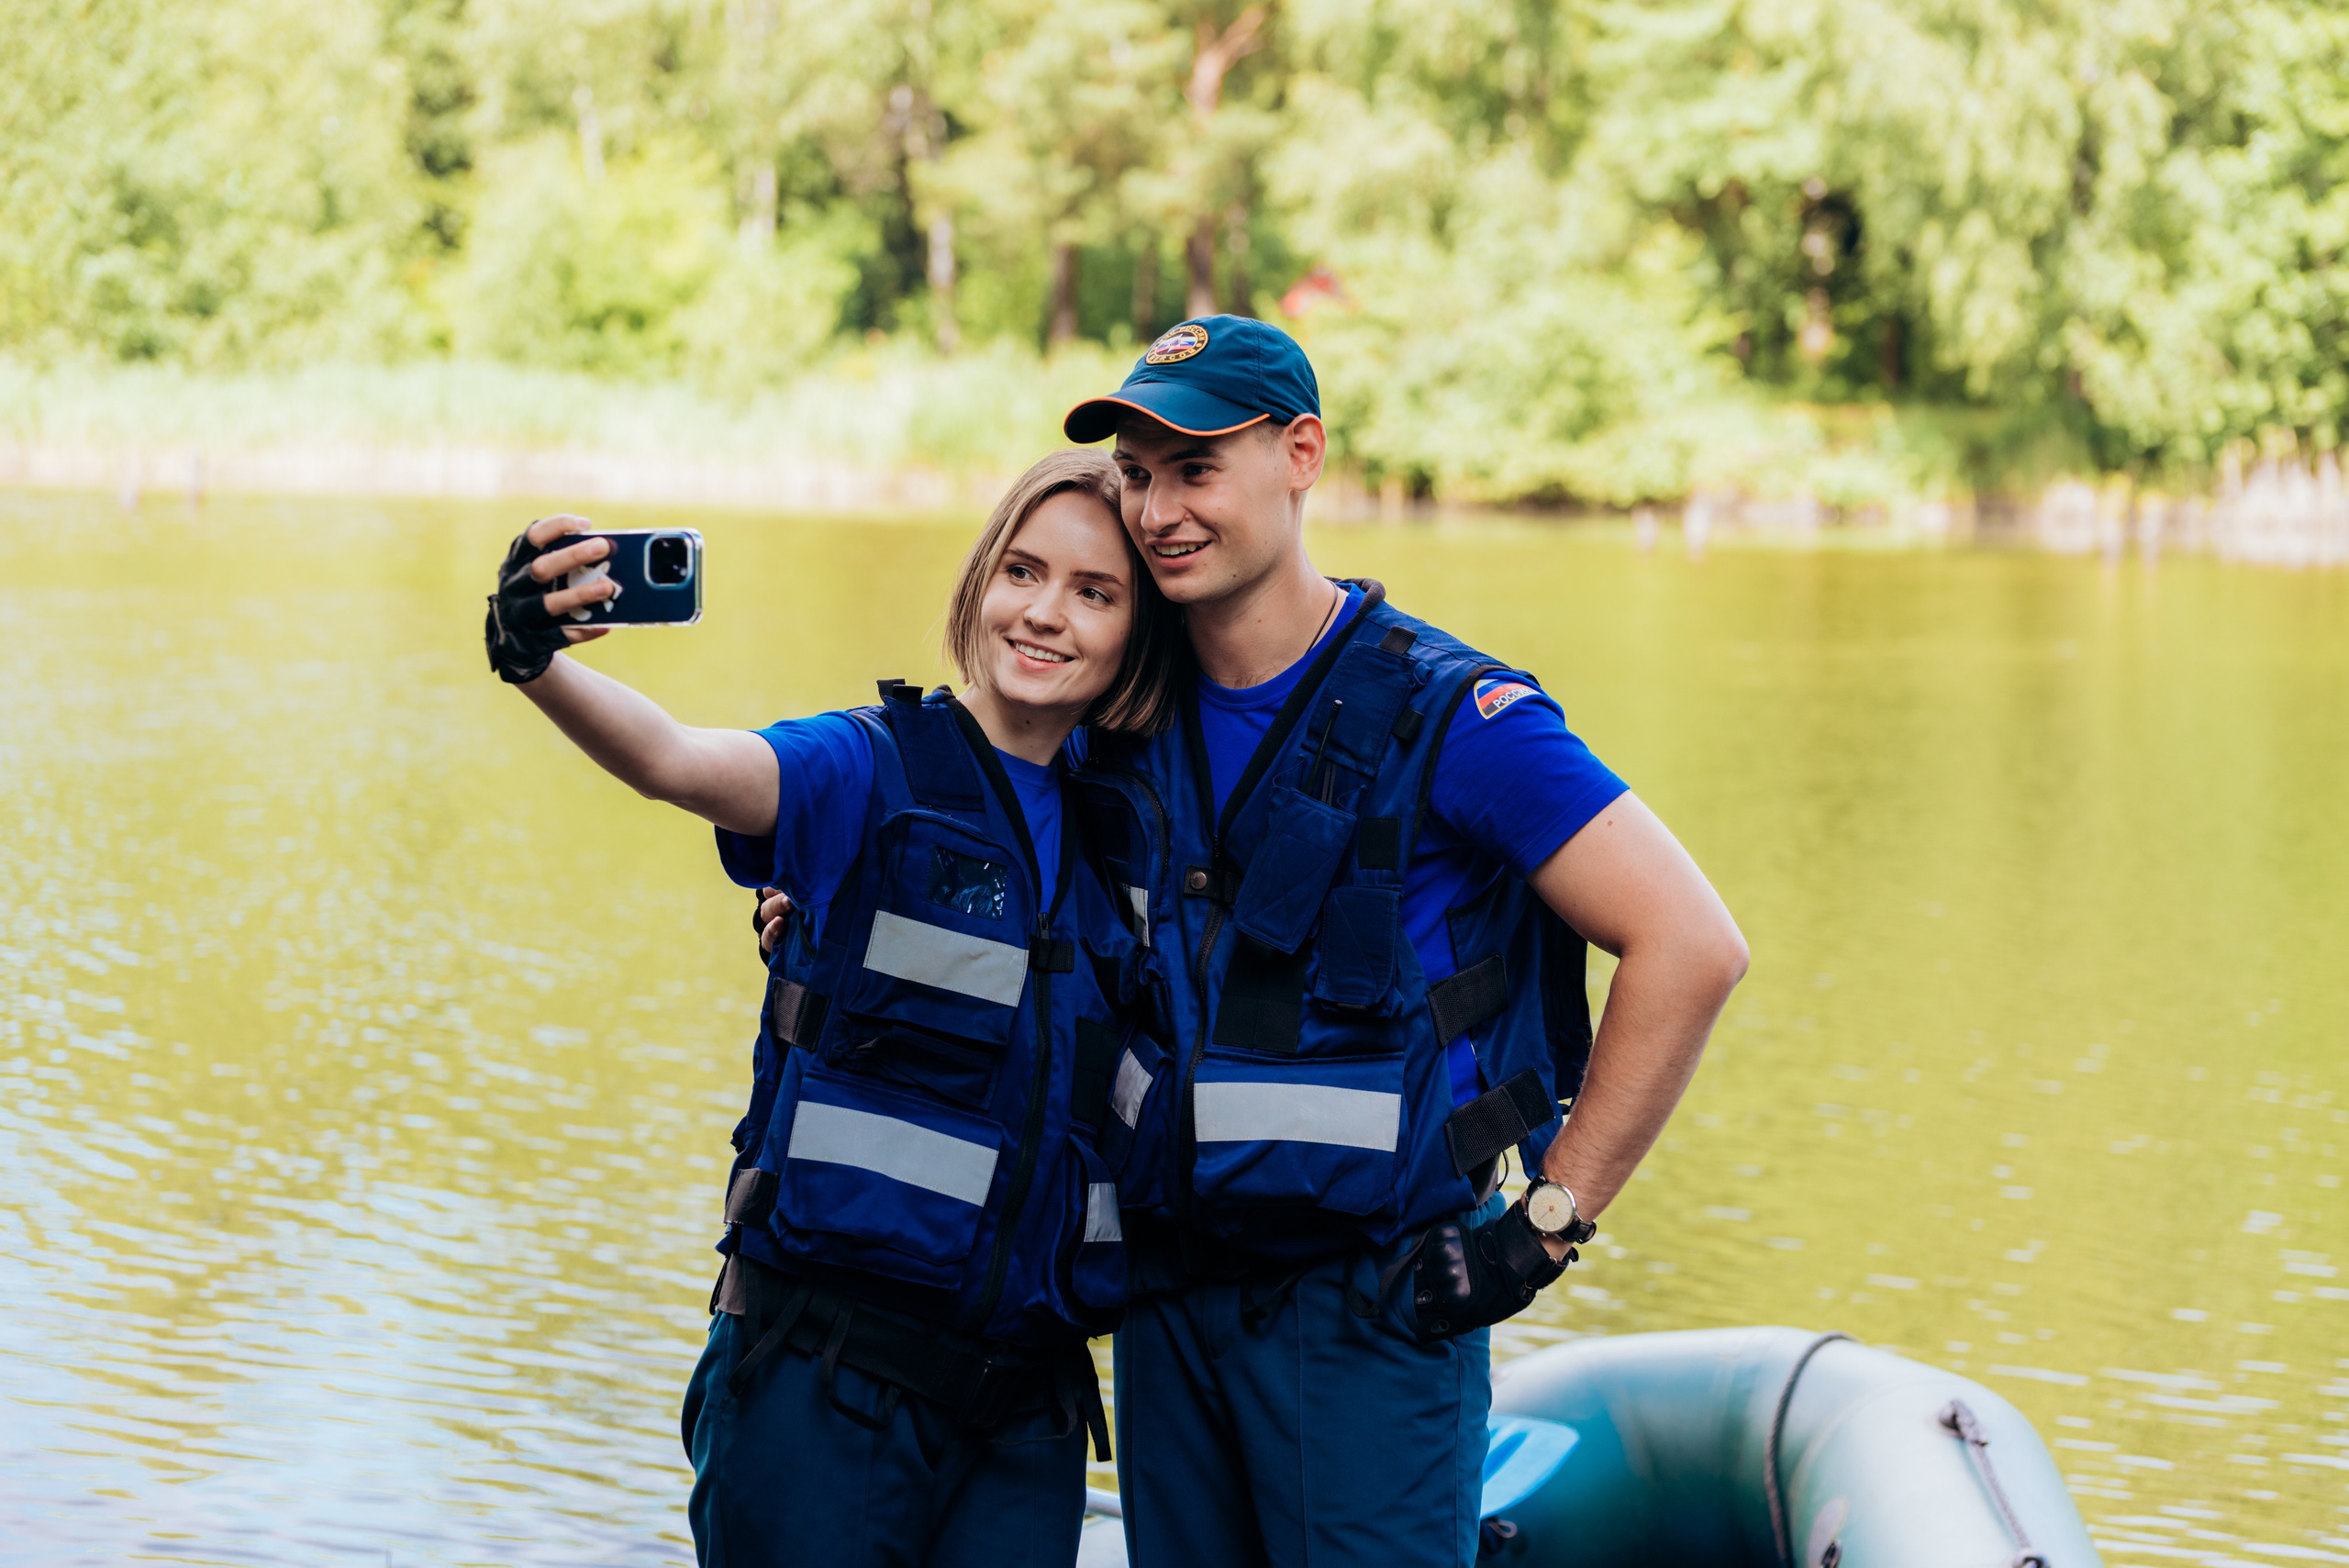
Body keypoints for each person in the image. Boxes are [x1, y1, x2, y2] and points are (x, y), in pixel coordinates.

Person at [1060, 317, 1749, 1567]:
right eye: (1139, 475)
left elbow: (1691, 944)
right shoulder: (1112, 704)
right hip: (1167, 1306)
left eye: (1195, 467)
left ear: (1301, 454)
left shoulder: (1457, 715)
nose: (1159, 509)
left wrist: (1544, 1224)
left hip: (1373, 1312)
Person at [482, 450, 1181, 1568]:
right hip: (825, 1381)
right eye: (1022, 571)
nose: (1045, 613)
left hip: (1023, 1415)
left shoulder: (1134, 824)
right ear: (978, 585)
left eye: (1096, 593)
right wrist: (532, 657)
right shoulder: (864, 765)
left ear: (1137, 632)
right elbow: (675, 760)